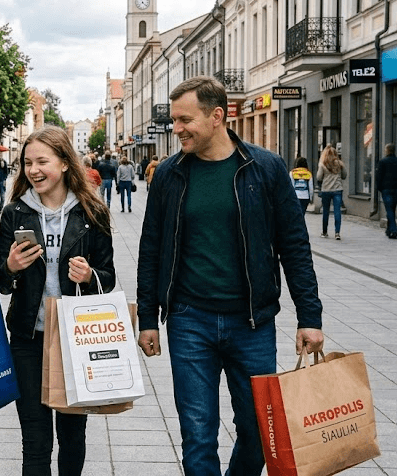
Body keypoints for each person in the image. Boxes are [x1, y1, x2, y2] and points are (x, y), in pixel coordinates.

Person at [136, 76, 324, 476]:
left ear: (217, 116)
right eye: (174, 120)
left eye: (185, 120)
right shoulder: (169, 174)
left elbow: (294, 246)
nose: (177, 129)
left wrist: (310, 316)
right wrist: (149, 319)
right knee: (198, 434)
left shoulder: (266, 168)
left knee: (258, 430)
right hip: (189, 321)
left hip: (252, 323)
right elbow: (151, 248)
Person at [0, 126, 115, 476]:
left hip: (74, 338)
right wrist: (11, 267)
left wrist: (90, 275)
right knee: (35, 438)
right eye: (28, 162)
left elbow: (108, 278)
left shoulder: (91, 212)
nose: (33, 170)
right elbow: (1, 283)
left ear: (64, 163)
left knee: (72, 434)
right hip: (28, 337)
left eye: (42, 161)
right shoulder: (16, 212)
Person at [376, 143, 397, 239]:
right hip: (396, 189)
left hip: (386, 189)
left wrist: (380, 188)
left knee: (389, 209)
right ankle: (389, 229)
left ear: (387, 150)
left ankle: (393, 230)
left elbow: (378, 177)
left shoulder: (383, 162)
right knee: (392, 209)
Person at [316, 144, 347, 240]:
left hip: (326, 190)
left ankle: (324, 232)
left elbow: (319, 177)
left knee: (326, 211)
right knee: (337, 211)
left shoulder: (322, 164)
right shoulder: (340, 164)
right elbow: (344, 176)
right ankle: (337, 233)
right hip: (337, 189)